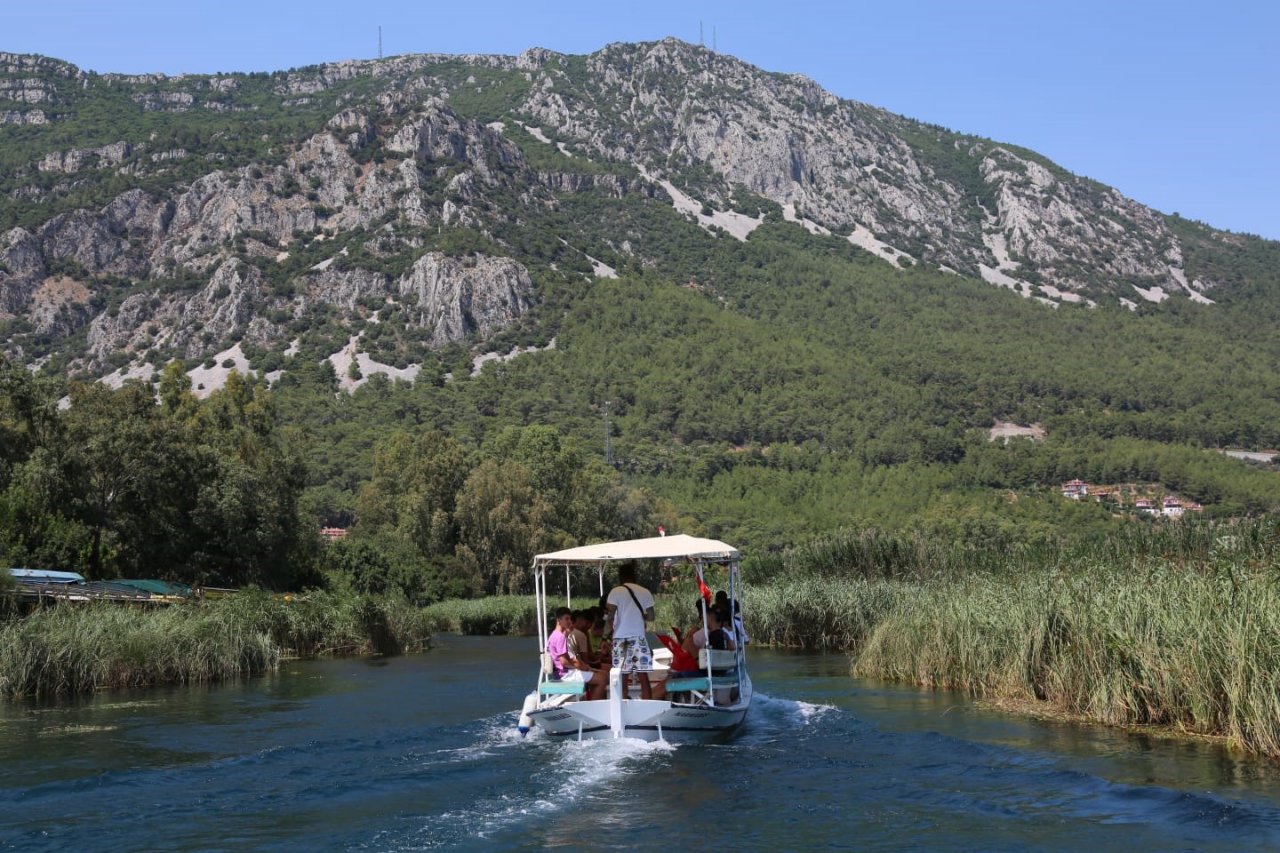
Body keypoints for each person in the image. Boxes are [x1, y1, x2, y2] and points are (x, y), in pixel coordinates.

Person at [606, 564, 656, 700]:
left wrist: (607, 634)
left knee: (622, 674)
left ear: (620, 576)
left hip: (620, 638)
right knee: (642, 674)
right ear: (634, 576)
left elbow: (610, 615)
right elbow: (651, 617)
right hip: (638, 637)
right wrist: (642, 616)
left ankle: (622, 704)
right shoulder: (645, 592)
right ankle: (648, 704)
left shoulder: (615, 592)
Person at [546, 607, 605, 700]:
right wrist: (580, 667)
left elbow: (566, 659)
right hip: (566, 675)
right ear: (558, 620)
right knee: (602, 679)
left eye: (570, 618)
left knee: (597, 677)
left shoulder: (553, 635)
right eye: (566, 618)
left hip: (559, 674)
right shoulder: (560, 637)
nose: (569, 621)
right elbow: (564, 661)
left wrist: (580, 666)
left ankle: (591, 700)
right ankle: (595, 708)